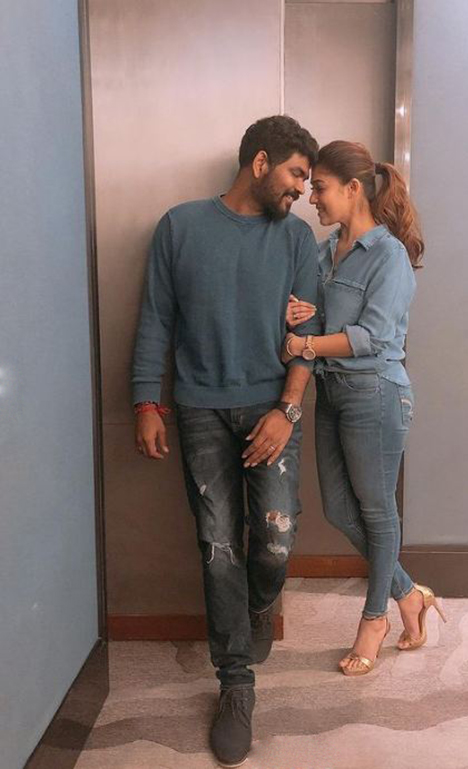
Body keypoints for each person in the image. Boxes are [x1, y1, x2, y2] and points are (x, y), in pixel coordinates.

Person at [132, 115, 320, 767]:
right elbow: (155, 319)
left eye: (309, 181)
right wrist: (146, 402)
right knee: (218, 549)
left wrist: (286, 411)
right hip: (200, 412)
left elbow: (307, 337)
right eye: (296, 174)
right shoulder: (179, 227)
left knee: (275, 542)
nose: (302, 190)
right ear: (260, 163)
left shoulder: (297, 238)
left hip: (273, 408)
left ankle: (257, 606)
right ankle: (236, 682)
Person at [284, 140, 446, 677]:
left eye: (320, 188)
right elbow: (323, 319)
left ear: (353, 188)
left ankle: (374, 619)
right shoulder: (326, 251)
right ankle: (409, 594)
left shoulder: (389, 255)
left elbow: (370, 337)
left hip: (375, 393)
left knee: (377, 512)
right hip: (332, 392)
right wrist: (301, 314)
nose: (312, 198)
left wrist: (305, 345)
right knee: (339, 510)